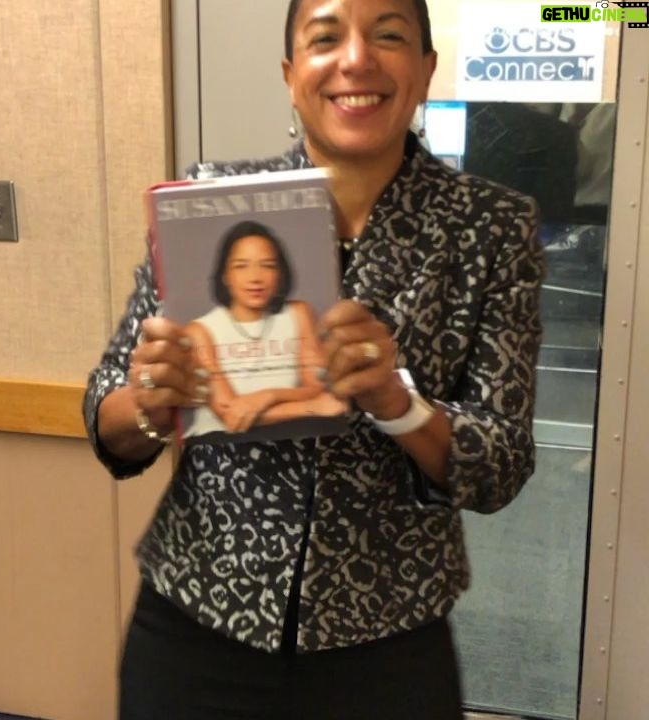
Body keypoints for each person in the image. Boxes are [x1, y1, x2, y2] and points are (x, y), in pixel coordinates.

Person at [83, 0, 544, 718]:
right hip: (198, 623)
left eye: (388, 35)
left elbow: (501, 464)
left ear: (425, 70)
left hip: (386, 640)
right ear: (291, 74)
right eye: (326, 38)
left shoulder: (491, 228)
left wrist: (399, 405)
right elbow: (106, 409)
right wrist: (149, 403)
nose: (356, 59)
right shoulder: (209, 204)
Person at [184, 219, 346, 439]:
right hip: (218, 446)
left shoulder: (299, 313)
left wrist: (267, 396)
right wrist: (311, 407)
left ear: (280, 274)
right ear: (225, 275)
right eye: (241, 266)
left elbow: (316, 386)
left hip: (289, 441)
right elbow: (231, 415)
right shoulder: (200, 331)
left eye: (268, 265)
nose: (255, 278)